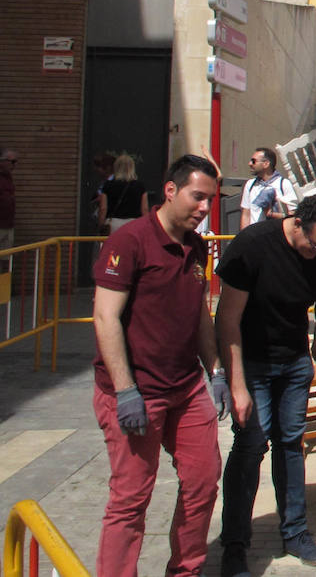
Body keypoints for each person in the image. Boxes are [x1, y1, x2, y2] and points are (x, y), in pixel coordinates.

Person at [91, 154, 227, 577]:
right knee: (131, 498)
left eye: (211, 200)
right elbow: (105, 317)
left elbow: (199, 314)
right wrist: (125, 390)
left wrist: (217, 371)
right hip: (134, 393)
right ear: (171, 191)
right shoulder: (129, 242)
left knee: (203, 481)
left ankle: (185, 570)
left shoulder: (195, 245)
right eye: (198, 197)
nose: (205, 208)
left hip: (185, 388)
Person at [215, 193, 316, 574]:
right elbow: (227, 319)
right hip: (252, 361)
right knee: (251, 444)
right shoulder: (253, 245)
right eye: (314, 245)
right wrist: (236, 383)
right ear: (298, 222)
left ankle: (295, 532)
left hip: (293, 362)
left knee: (291, 444)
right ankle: (235, 544)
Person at [239, 147, 297, 228]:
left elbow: (293, 215)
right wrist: (244, 238)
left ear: (266, 163)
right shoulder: (250, 184)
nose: (250, 163)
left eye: (253, 161)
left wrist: (272, 215)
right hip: (255, 236)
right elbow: (246, 214)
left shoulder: (283, 184)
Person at [97, 153, 148, 233]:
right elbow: (144, 209)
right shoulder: (140, 186)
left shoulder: (108, 185)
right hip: (134, 224)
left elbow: (103, 208)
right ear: (132, 168)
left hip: (113, 224)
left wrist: (101, 225)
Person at [0, 146, 17, 250]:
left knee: (5, 257)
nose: (15, 165)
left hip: (7, 226)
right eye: (13, 161)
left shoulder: (8, 178)